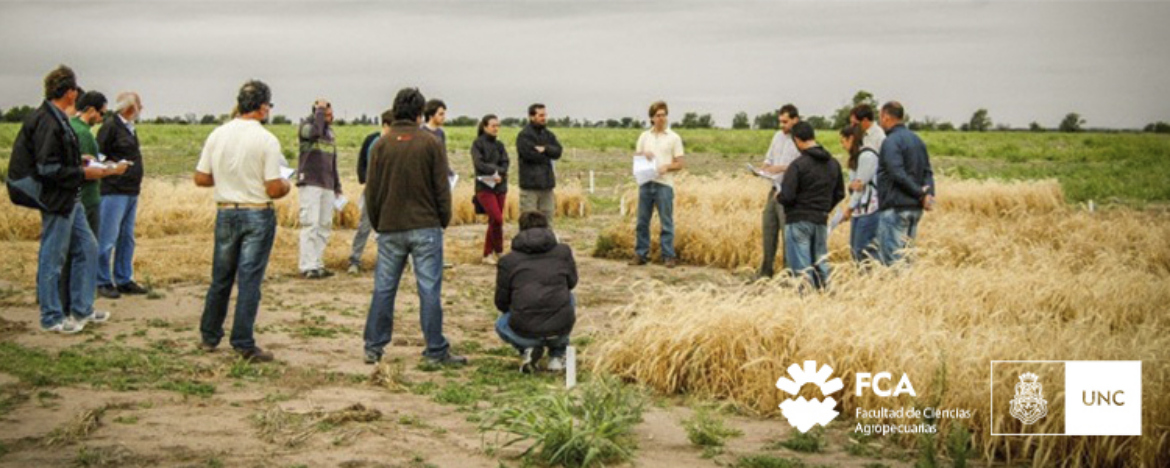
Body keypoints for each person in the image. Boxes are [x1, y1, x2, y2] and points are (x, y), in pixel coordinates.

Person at [362, 87, 466, 367]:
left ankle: (374, 346)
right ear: (421, 113)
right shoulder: (430, 142)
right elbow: (441, 188)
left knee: (384, 288)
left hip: (390, 226)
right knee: (429, 289)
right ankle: (435, 349)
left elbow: (371, 191)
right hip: (425, 226)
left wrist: (378, 222)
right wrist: (443, 219)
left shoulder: (381, 145)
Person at [7, 65, 115, 333]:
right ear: (69, 92)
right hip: (54, 196)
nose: (77, 94)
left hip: (67, 194)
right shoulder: (47, 120)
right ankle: (51, 317)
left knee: (87, 247)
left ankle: (81, 308)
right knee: (52, 257)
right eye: (75, 89)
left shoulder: (56, 117)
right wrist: (82, 171)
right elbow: (46, 168)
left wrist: (79, 161)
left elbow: (52, 159)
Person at [193, 79, 290, 362]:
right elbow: (273, 188)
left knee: (220, 278)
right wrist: (286, 184)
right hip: (257, 211)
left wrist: (224, 179)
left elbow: (200, 178)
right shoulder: (266, 140)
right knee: (249, 280)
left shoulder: (217, 134)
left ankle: (210, 334)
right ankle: (243, 341)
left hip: (225, 209)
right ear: (262, 108)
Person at [494, 211, 577, 374]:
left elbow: (501, 302)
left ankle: (529, 347)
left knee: (501, 324)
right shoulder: (563, 252)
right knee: (569, 298)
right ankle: (558, 355)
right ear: (547, 228)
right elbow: (572, 283)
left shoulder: (507, 261)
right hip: (560, 326)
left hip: (523, 328)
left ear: (520, 230)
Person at [60, 91, 112, 307]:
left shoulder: (74, 128)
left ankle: (74, 303)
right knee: (84, 252)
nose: (101, 118)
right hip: (87, 199)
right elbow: (86, 170)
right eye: (101, 113)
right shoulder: (83, 134)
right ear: (90, 110)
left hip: (81, 198)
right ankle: (77, 303)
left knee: (76, 252)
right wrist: (112, 169)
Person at [779, 122, 844, 290]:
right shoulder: (834, 164)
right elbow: (840, 194)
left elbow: (787, 196)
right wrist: (824, 208)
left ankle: (807, 303)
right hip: (821, 219)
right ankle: (826, 298)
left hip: (798, 220)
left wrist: (778, 196)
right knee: (821, 263)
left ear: (797, 140)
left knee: (802, 269)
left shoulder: (798, 165)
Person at [95, 92, 148, 299]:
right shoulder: (110, 127)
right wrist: (115, 168)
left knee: (127, 237)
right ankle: (102, 280)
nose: (141, 109)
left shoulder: (129, 128)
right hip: (114, 190)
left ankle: (124, 279)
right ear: (129, 108)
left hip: (130, 190)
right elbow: (98, 156)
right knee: (107, 238)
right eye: (139, 105)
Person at [875, 101, 935, 266]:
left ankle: (899, 291)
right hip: (915, 208)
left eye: (880, 117)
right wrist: (928, 196)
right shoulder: (917, 140)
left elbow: (897, 173)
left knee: (893, 261)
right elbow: (927, 172)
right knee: (908, 258)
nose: (880, 122)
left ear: (886, 117)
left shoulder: (891, 142)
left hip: (896, 208)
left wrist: (921, 194)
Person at [630, 100, 685, 268]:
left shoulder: (674, 138)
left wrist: (667, 167)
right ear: (652, 118)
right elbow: (636, 156)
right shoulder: (644, 136)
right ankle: (641, 254)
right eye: (658, 115)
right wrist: (642, 154)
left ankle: (668, 256)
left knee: (666, 222)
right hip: (646, 182)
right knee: (642, 221)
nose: (662, 118)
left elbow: (680, 163)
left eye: (664, 115)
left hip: (664, 184)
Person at [296, 98, 342, 279]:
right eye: (325, 114)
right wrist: (320, 111)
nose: (329, 117)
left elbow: (333, 162)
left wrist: (337, 186)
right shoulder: (306, 127)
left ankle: (317, 262)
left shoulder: (330, 134)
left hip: (327, 184)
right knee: (310, 224)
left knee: (324, 225)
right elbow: (315, 132)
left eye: (330, 113)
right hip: (311, 182)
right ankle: (307, 265)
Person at [754, 104, 802, 280]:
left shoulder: (801, 139)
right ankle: (765, 272)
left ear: (795, 120)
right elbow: (769, 160)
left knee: (787, 234)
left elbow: (802, 167)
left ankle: (788, 275)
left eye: (785, 121)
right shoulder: (777, 137)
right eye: (780, 121)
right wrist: (764, 169)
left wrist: (779, 168)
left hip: (790, 194)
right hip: (774, 188)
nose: (782, 125)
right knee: (768, 229)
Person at [348, 111, 392, 275]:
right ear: (385, 125)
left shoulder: (394, 142)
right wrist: (364, 179)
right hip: (372, 190)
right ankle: (354, 260)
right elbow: (362, 161)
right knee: (364, 226)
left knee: (387, 228)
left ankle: (386, 261)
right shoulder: (372, 140)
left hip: (389, 191)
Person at [471, 115, 510, 265]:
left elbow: (506, 162)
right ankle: (497, 250)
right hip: (484, 187)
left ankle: (488, 254)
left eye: (498, 125)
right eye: (493, 125)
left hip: (501, 187)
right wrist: (495, 172)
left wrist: (500, 173)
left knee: (495, 221)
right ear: (485, 126)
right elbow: (479, 164)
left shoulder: (500, 145)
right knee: (497, 218)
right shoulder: (477, 144)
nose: (496, 128)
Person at [839, 125, 881, 262]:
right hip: (859, 210)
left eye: (842, 141)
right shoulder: (855, 157)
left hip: (870, 210)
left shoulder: (867, 156)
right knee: (855, 250)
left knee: (863, 251)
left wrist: (848, 209)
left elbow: (859, 188)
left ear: (851, 139)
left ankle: (873, 279)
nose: (842, 145)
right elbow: (854, 185)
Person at [515, 103, 563, 222]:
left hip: (547, 185)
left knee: (548, 220)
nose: (544, 118)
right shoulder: (524, 136)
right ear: (532, 117)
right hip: (530, 186)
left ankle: (547, 241)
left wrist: (545, 149)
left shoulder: (548, 135)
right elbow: (530, 155)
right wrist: (548, 154)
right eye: (540, 115)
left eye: (545, 115)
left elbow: (558, 152)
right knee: (528, 221)